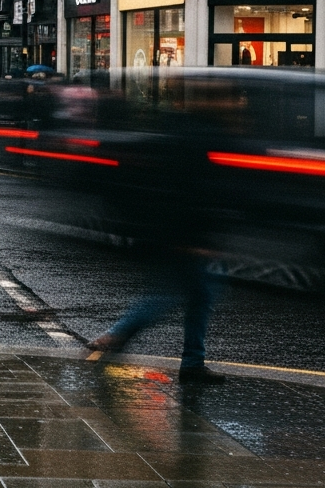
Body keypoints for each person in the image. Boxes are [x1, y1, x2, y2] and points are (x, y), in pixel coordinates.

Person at [84, 99, 228, 384]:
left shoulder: (173, 135)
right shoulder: (196, 140)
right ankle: (123, 335)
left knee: (194, 294)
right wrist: (196, 237)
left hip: (171, 233)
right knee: (174, 294)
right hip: (181, 236)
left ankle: (190, 361)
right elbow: (191, 193)